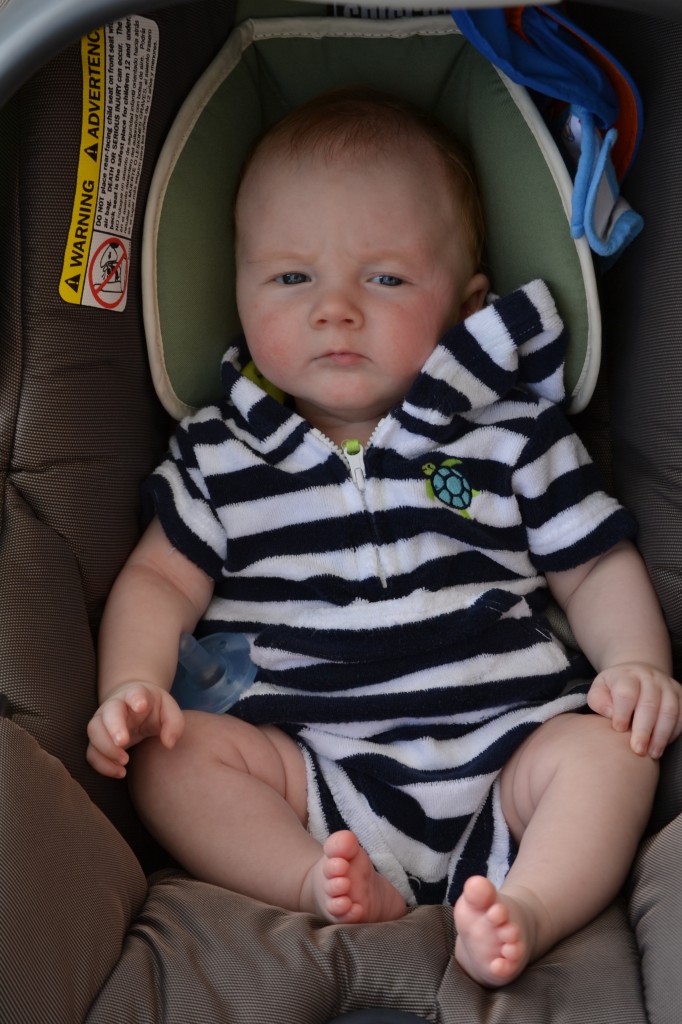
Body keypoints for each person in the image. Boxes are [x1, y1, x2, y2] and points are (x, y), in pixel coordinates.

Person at [86, 88, 682, 987]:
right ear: (238, 288)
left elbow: (592, 562)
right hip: (316, 775)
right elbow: (156, 584)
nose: (335, 309)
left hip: (510, 744)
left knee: (612, 751)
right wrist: (131, 684)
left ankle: (531, 902)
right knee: (170, 761)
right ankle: (315, 883)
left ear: (465, 300)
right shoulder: (220, 455)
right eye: (292, 278)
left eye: (385, 278)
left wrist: (635, 663)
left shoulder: (508, 431)